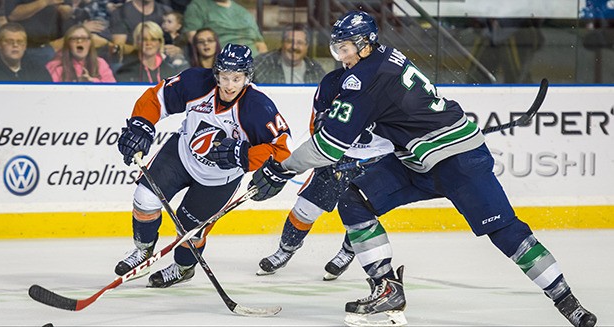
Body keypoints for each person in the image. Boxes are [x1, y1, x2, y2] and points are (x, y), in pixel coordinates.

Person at [248, 10, 597, 327]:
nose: (341, 56)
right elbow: (389, 123)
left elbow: (327, 146)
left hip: (460, 162)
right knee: (354, 198)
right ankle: (386, 288)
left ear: (366, 45)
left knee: (507, 233)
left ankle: (567, 300)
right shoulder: (382, 60)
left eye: (346, 48)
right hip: (416, 161)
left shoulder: (364, 80)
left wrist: (282, 168)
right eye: (337, 48)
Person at [114, 43, 292, 289]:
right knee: (144, 199)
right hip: (180, 155)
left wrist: (243, 156)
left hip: (218, 179)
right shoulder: (196, 82)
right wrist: (141, 125)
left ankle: (183, 268)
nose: (229, 85)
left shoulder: (258, 107)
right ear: (216, 73)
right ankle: (143, 251)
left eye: (236, 78)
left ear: (247, 77)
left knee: (191, 232)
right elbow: (157, 98)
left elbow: (281, 147)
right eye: (224, 77)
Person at [256, 67, 394, 280]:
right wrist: (327, 150)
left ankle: (347, 252)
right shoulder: (333, 81)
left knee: (361, 211)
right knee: (305, 209)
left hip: (377, 159)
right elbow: (317, 122)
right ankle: (284, 250)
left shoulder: (387, 80)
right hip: (337, 155)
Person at [183, 0, 267, 57]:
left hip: (253, 65)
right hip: (222, 66)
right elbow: (194, 40)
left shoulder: (244, 12)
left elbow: (260, 44)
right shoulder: (198, 7)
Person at [254, 24, 326, 85]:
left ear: (306, 46)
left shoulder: (316, 70)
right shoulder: (262, 64)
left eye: (299, 43)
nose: (294, 47)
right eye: (290, 41)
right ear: (282, 43)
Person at [115, 21, 184, 82]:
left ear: (160, 42)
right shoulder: (126, 71)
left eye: (153, 39)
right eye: (144, 39)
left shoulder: (170, 72)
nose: (148, 43)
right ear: (137, 42)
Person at [46, 24, 116, 82]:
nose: (79, 41)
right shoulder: (55, 66)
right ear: (68, 44)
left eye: (84, 38)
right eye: (74, 39)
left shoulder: (100, 63)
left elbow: (112, 90)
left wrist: (93, 81)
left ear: (90, 43)